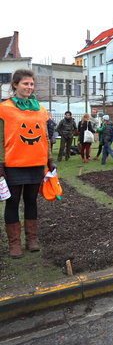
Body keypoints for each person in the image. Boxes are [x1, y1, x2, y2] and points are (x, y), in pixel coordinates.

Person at [0, 69, 56, 258]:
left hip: (36, 163)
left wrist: (49, 159)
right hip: (13, 163)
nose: (29, 87)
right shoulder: (4, 108)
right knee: (12, 202)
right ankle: (14, 244)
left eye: (31, 84)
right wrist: (0, 164)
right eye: (25, 83)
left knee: (31, 201)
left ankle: (32, 240)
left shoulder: (40, 108)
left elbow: (45, 136)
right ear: (15, 85)